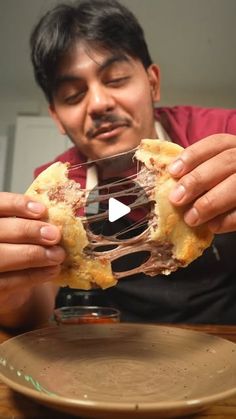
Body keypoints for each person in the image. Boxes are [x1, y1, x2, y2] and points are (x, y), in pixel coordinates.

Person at [0, 0, 236, 330]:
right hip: (122, 351)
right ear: (56, 116)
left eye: (116, 79)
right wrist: (10, 296)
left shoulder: (221, 133)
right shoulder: (59, 193)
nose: (98, 104)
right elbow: (37, 308)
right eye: (72, 95)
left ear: (153, 82)